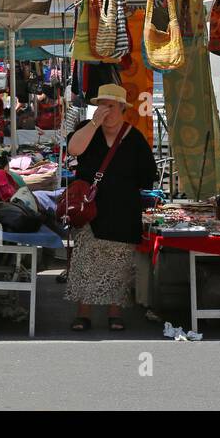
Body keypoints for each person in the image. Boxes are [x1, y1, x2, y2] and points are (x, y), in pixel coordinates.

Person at [64, 84, 157, 332]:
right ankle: (83, 313)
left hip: (123, 210)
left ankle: (114, 313)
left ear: (123, 109)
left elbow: (148, 175)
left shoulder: (134, 137)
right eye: (102, 105)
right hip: (90, 209)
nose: (106, 111)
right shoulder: (87, 130)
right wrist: (93, 124)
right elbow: (73, 150)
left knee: (118, 265)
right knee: (86, 263)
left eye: (111, 106)